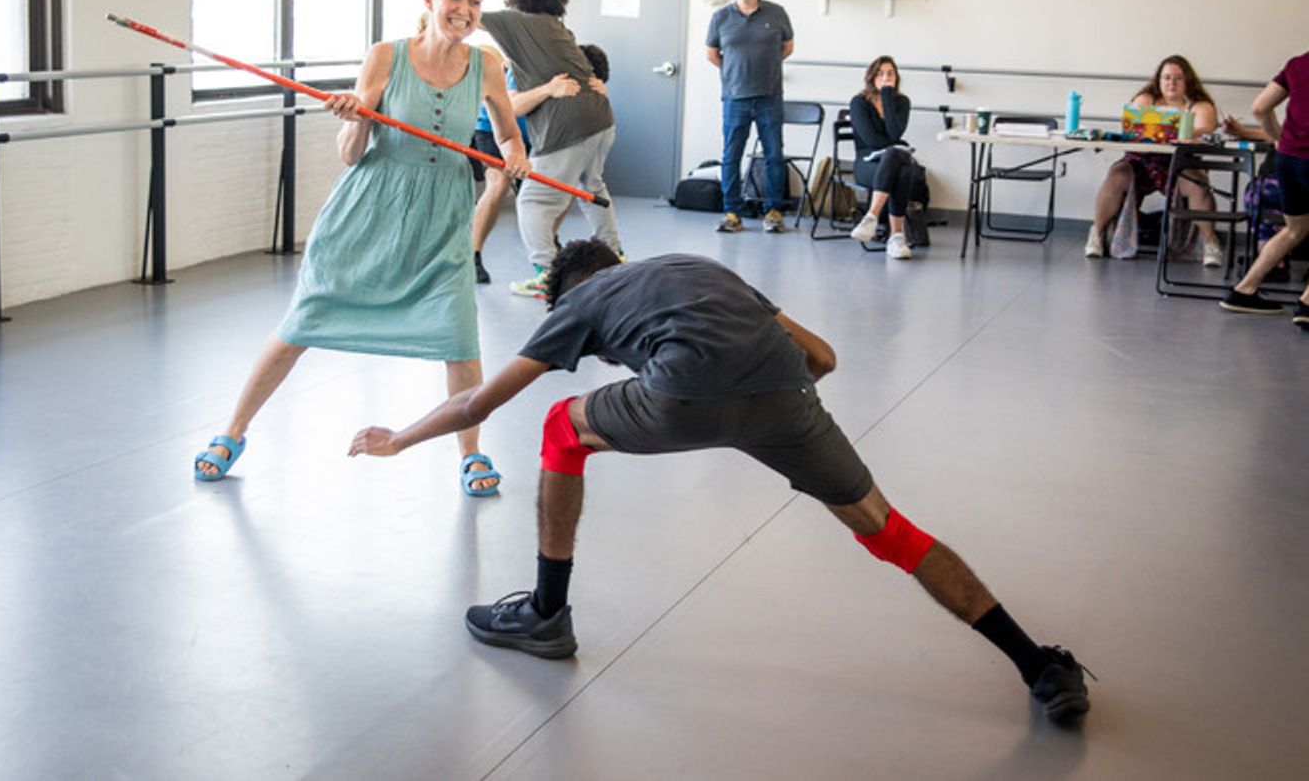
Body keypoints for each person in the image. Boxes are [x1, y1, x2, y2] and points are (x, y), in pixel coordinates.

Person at [347, 239, 1094, 725]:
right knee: (888, 529)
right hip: (786, 401)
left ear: (561, 291)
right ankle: (1040, 667)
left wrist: (400, 439)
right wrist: (768, 403)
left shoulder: (574, 303)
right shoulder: (694, 265)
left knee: (559, 428)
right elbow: (824, 358)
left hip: (679, 396)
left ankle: (546, 614)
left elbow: (479, 402)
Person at [191, 0, 531, 497]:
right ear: (430, 1)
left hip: (442, 214)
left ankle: (472, 453)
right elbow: (352, 156)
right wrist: (360, 117)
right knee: (302, 323)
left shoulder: (487, 66)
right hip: (371, 207)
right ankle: (232, 432)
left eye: (473, 1)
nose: (463, 10)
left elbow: (510, 137)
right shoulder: (386, 57)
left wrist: (515, 159)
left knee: (460, 337)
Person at [479, 0, 624, 298]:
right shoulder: (559, 29)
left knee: (532, 201)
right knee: (592, 187)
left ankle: (548, 275)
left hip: (566, 127)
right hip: (601, 118)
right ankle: (616, 255)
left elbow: (470, 16)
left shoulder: (522, 23)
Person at [470, 48, 611, 285]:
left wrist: (597, 92)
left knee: (563, 185)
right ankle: (472, 255)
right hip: (495, 129)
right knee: (500, 183)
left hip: (538, 137)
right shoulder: (525, 64)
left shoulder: (579, 79)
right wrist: (548, 89)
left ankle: (548, 242)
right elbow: (512, 107)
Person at [1086, 55, 1224, 265]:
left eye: (1178, 78)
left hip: (1180, 163)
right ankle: (1096, 233)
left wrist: (1162, 129)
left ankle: (1210, 243)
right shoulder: (1146, 98)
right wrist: (1175, 130)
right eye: (1166, 77)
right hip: (1140, 161)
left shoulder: (1199, 105)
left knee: (1199, 186)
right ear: (1158, 80)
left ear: (1188, 80)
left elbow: (1205, 126)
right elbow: (1132, 124)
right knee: (1116, 175)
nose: (1171, 83)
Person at [1219, 49, 1309, 329]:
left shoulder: (1298, 64)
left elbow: (1259, 108)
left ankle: (1244, 290)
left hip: (1288, 161)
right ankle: (1306, 305)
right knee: (1296, 229)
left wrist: (1279, 138)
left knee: (1295, 229)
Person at [707, 0, 794, 234]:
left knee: (773, 155)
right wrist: (735, 71)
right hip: (735, 98)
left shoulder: (776, 13)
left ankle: (774, 212)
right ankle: (732, 212)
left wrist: (763, 69)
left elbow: (787, 47)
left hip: (770, 97)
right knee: (731, 157)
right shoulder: (721, 17)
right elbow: (712, 54)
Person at [847, 56, 926, 259]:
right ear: (872, 77)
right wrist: (897, 147)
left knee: (901, 168)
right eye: (881, 73)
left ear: (896, 77)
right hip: (867, 163)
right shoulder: (859, 103)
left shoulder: (902, 102)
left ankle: (872, 218)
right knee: (898, 157)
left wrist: (887, 96)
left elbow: (894, 134)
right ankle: (896, 237)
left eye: (890, 73)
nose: (885, 77)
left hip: (890, 164)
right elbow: (872, 141)